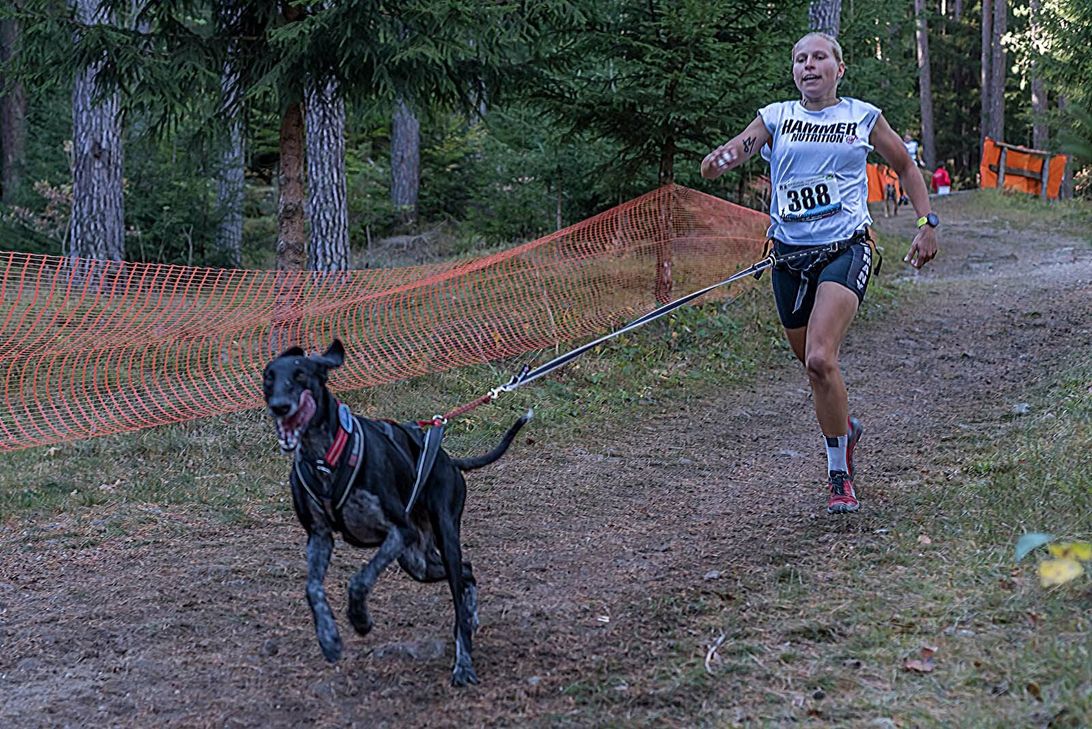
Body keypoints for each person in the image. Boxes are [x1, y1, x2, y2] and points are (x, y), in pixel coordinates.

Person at [700, 31, 938, 514]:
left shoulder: (861, 117)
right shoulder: (777, 117)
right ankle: (845, 430)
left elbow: (906, 167)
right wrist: (721, 160)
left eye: (819, 57)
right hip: (787, 255)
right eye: (800, 59)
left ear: (839, 68)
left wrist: (926, 222)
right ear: (794, 71)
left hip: (845, 247)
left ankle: (838, 475)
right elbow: (736, 150)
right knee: (812, 368)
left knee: (819, 359)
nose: (809, 65)